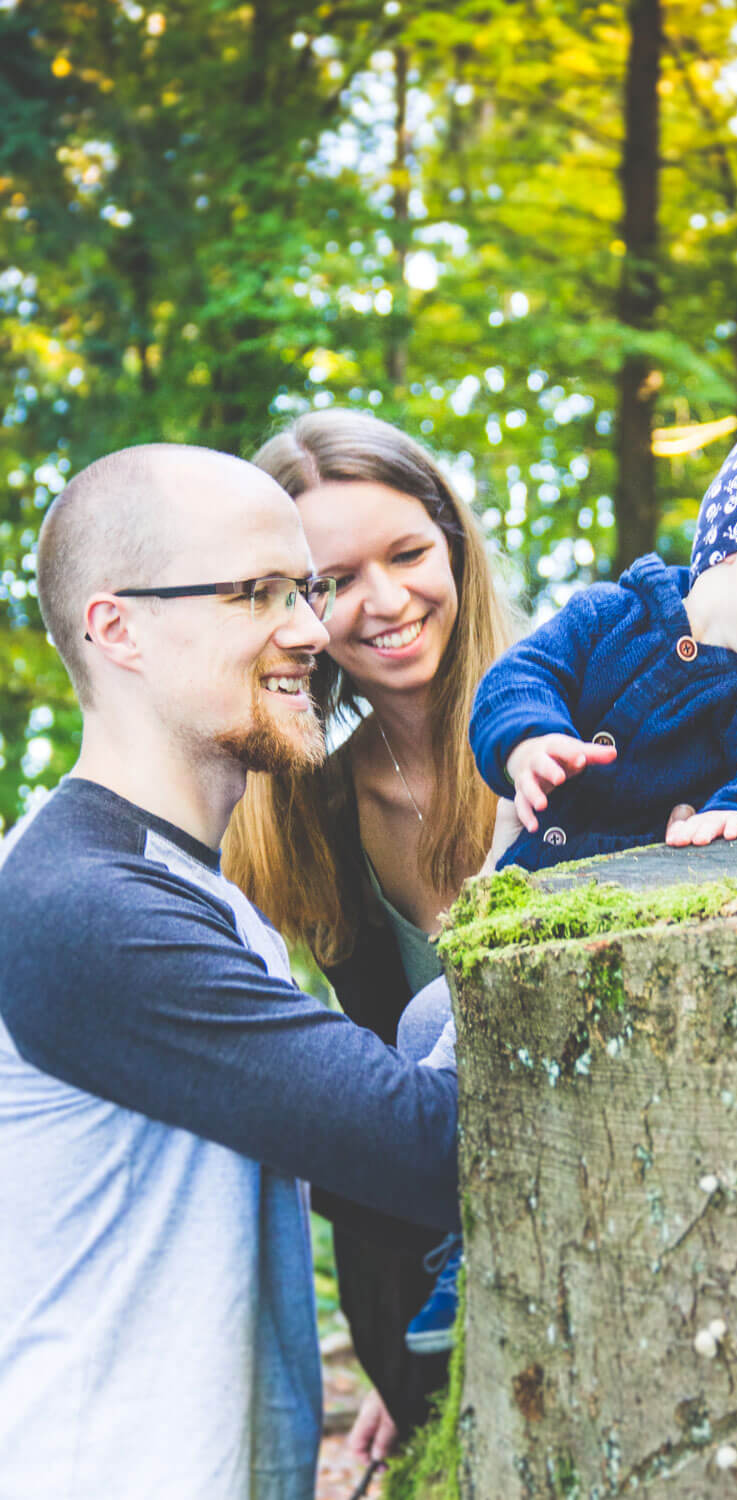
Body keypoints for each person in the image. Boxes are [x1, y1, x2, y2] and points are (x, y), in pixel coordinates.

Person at [0, 443, 463, 1500]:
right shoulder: (87, 909)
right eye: (257, 593)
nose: (312, 628)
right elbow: (425, 1145)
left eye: (301, 590)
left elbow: (346, 1143)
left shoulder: (199, 897)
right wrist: (543, 883)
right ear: (117, 628)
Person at [221, 410, 518, 1459]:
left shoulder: (582, 730)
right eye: (332, 579)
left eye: (407, 554)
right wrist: (405, 1343)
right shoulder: (304, 811)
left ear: (455, 546)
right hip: (413, 1282)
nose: (384, 603)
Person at [470, 408, 737, 873]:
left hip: (656, 907)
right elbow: (521, 676)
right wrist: (529, 741)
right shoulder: (610, 615)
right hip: (521, 891)